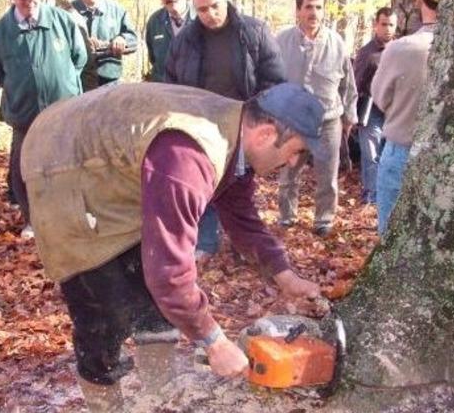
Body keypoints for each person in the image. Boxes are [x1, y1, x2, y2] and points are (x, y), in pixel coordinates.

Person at [21, 82, 323, 412]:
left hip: (118, 170)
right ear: (265, 135)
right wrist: (214, 341)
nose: (295, 163)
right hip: (61, 163)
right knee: (103, 311)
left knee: (156, 306)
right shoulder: (189, 155)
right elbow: (169, 274)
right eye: (296, 151)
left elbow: (241, 215)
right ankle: (104, 403)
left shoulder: (235, 136)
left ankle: (157, 395)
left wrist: (284, 275)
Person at [165, 0, 286, 258]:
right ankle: (205, 242)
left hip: (243, 123)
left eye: (215, 6)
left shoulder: (253, 32)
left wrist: (258, 118)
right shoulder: (185, 40)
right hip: (200, 125)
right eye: (203, 9)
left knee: (239, 185)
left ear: (226, 1)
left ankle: (244, 244)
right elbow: (170, 84)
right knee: (201, 181)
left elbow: (274, 79)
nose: (210, 14)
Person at [0, 0, 87, 238]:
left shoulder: (62, 21)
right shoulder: (0, 31)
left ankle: (69, 216)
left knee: (69, 164)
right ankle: (32, 220)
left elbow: (79, 59)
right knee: (23, 168)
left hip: (63, 109)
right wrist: (22, 86)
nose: (29, 3)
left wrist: (60, 83)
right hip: (24, 111)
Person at [275, 0, 358, 237]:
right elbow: (271, 79)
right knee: (289, 172)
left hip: (328, 120)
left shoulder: (336, 43)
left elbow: (348, 84)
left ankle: (324, 219)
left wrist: (350, 117)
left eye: (318, 7)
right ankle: (286, 217)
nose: (314, 12)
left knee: (327, 175)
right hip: (293, 120)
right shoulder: (282, 41)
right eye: (308, 7)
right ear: (298, 10)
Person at [372, 0, 443, 234]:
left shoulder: (401, 49)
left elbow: (380, 97)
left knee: (391, 236)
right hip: (449, 158)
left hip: (401, 149)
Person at [354, 7, 397, 206]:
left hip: (394, 110)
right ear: (375, 25)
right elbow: (356, 83)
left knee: (389, 155)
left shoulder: (401, 51)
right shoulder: (367, 53)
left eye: (391, 24)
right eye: (383, 24)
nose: (387, 29)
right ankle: (372, 194)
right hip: (370, 109)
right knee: (371, 154)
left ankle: (387, 194)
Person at [71, 0, 137, 88]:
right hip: (78, 81)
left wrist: (122, 39)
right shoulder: (68, 12)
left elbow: (133, 39)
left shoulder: (117, 10)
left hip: (110, 81)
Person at [144, 0, 192, 82]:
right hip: (164, 90)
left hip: (194, 90)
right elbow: (153, 58)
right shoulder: (154, 22)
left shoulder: (200, 18)